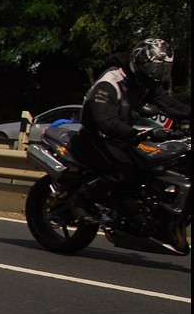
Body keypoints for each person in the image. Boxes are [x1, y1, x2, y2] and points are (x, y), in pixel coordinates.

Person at [73, 38, 191, 211]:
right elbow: (105, 121)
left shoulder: (144, 81)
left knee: (150, 167)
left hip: (122, 138)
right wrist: (136, 134)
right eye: (156, 68)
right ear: (140, 61)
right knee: (125, 171)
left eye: (163, 70)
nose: (158, 74)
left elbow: (168, 103)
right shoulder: (109, 82)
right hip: (97, 138)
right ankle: (82, 198)